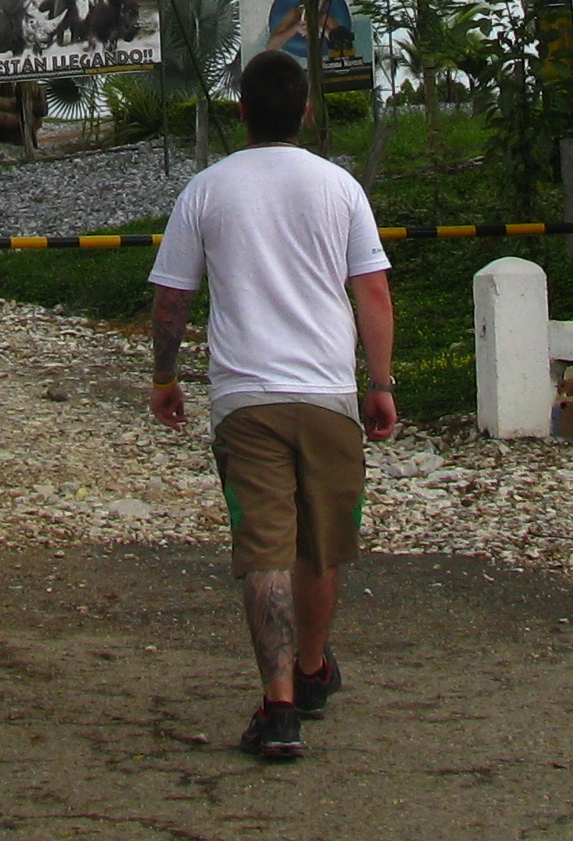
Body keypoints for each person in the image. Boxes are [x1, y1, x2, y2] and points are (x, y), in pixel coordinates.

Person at [148, 49, 398, 762]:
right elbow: (372, 291)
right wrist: (380, 384)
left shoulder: (206, 189)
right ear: (307, 111)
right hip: (327, 394)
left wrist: (165, 377)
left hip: (245, 398)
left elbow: (172, 298)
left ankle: (279, 706)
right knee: (320, 544)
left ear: (243, 112)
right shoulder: (340, 186)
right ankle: (313, 670)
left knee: (264, 548)